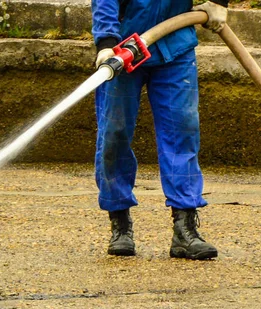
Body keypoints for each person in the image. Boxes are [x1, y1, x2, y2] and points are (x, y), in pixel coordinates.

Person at [91, 0, 228, 259]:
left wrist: (218, 2)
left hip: (175, 45)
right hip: (123, 48)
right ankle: (120, 224)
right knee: (114, 133)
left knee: (182, 130)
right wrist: (106, 42)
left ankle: (184, 230)